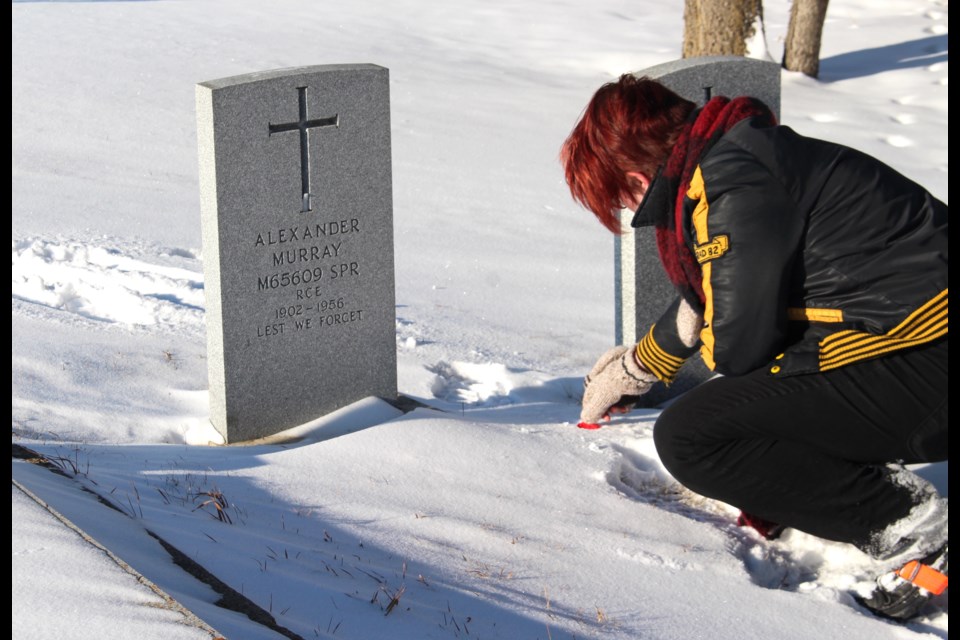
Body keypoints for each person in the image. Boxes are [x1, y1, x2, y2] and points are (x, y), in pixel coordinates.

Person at [560, 74, 947, 621]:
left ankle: (912, 525)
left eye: (621, 201)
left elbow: (740, 345)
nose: (630, 212)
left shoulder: (735, 182)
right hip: (912, 346)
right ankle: (826, 495)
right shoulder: (738, 158)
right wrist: (639, 365)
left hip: (927, 353)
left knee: (693, 436)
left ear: (635, 177)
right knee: (741, 411)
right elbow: (719, 295)